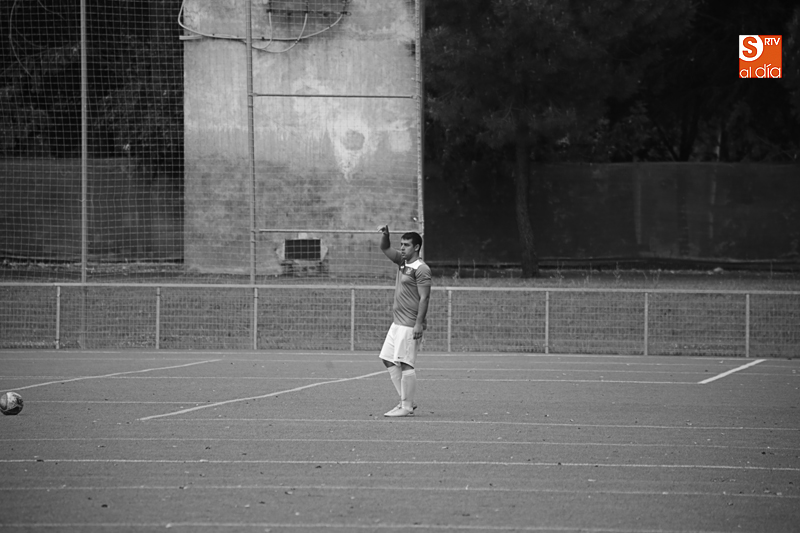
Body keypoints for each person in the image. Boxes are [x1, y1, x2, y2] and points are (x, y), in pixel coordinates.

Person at [377, 224, 431, 417]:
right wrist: (386, 235)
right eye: (401, 244)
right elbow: (385, 247)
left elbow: (424, 298)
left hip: (409, 324)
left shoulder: (422, 269)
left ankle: (406, 406)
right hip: (397, 323)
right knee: (387, 358)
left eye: (406, 245)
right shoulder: (402, 262)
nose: (402, 248)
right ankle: (406, 400)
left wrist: (419, 323)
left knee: (406, 363)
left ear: (416, 247)